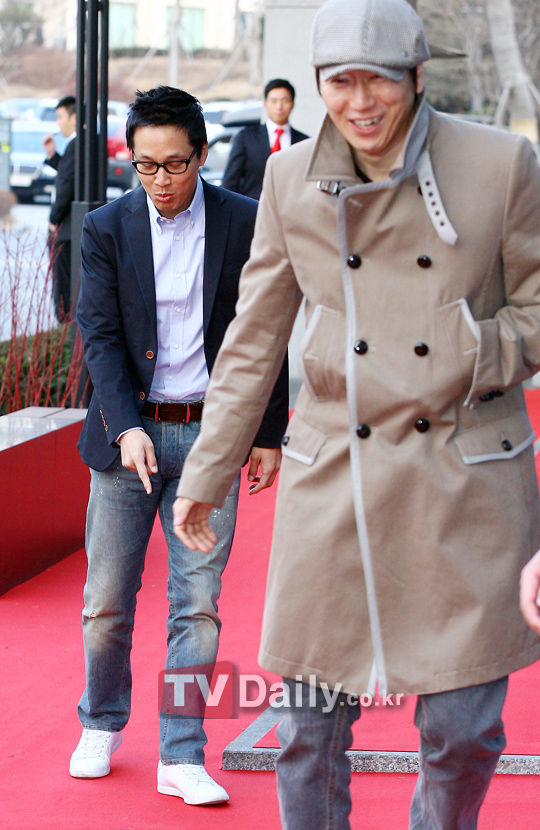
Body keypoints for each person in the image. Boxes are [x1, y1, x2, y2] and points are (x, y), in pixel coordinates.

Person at [172, 0, 540, 827]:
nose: (360, 101)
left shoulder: (502, 163)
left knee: (463, 733)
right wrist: (207, 470)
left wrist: (467, 349)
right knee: (306, 733)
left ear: (419, 76)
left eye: (381, 79)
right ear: (318, 83)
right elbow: (253, 338)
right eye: (340, 81)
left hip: (466, 479)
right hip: (334, 476)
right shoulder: (288, 178)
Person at [71, 85, 288, 806]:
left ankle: (182, 752)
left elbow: (268, 331)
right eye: (145, 165)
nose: (159, 180)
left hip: (211, 437)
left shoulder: (245, 221)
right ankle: (100, 721)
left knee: (197, 602)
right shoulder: (106, 227)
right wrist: (125, 425)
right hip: (126, 435)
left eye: (173, 164)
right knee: (107, 598)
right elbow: (99, 335)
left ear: (201, 155)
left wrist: (267, 432)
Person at [221, 78, 308, 199]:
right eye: (274, 101)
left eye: (285, 101)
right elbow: (230, 182)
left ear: (293, 104)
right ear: (265, 103)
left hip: (292, 207)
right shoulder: (246, 138)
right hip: (254, 207)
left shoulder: (304, 142)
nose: (279, 106)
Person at [43, 95, 76, 321]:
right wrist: (52, 156)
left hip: (66, 227)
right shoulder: (78, 144)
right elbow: (69, 173)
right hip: (70, 225)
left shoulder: (78, 144)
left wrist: (53, 219)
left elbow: (67, 184)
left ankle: (64, 327)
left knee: (63, 284)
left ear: (74, 117)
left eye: (61, 117)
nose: (58, 123)